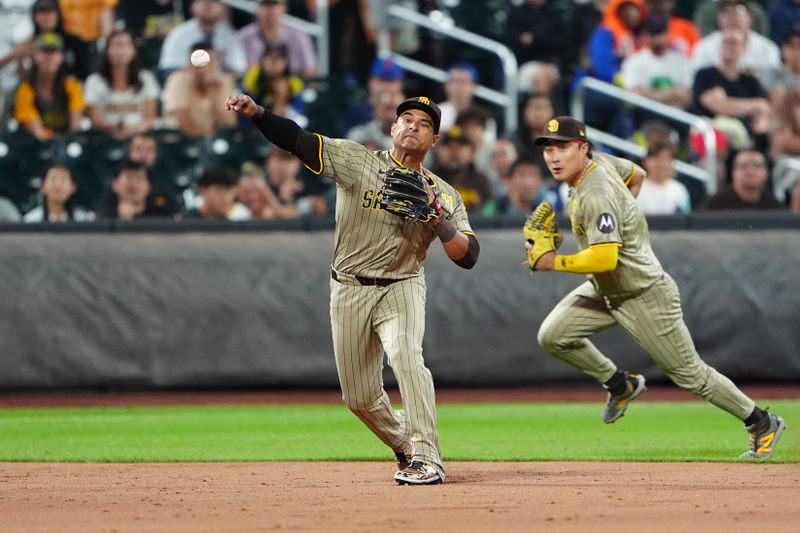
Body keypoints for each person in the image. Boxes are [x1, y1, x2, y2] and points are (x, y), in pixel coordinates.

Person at [225, 93, 480, 485]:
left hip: (403, 285)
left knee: (407, 356)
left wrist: (437, 219)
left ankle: (429, 458)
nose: (413, 125)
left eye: (425, 124)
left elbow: (468, 256)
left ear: (435, 141)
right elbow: (298, 140)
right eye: (406, 118)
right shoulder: (357, 161)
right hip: (348, 288)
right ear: (393, 128)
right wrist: (258, 113)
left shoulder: (443, 194)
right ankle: (406, 447)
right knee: (359, 399)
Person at [527, 115, 786, 460]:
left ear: (582, 148)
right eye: (548, 149)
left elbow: (604, 258)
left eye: (563, 148)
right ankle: (620, 383)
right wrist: (629, 214)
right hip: (606, 289)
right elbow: (638, 175)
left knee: (692, 375)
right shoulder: (600, 162)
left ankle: (761, 421)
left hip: (643, 294)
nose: (554, 157)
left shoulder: (597, 192)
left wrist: (552, 262)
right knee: (553, 335)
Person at [84, 29, 159, 139]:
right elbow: (96, 121)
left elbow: (150, 118)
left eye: (125, 45)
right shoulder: (94, 81)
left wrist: (134, 130)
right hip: (106, 139)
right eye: (115, 46)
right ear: (107, 51)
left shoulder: (146, 79)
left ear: (134, 51)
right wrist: (115, 129)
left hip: (140, 138)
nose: (120, 51)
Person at [14, 32, 84, 141]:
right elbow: (36, 131)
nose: (49, 57)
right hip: (36, 147)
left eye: (54, 51)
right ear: (35, 56)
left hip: (67, 145)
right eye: (45, 51)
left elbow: (76, 127)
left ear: (61, 57)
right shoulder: (25, 90)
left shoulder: (72, 86)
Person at [161, 43, 237, 137]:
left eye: (210, 62)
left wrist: (214, 92)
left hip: (213, 141)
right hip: (179, 140)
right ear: (189, 64)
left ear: (217, 63)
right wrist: (207, 140)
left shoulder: (224, 82)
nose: (204, 68)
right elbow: (184, 122)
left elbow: (228, 124)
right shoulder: (178, 80)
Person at [158, 0, 247, 77]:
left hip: (218, 87)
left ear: (222, 8)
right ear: (193, 6)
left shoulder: (229, 35)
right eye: (202, 1)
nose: (208, 5)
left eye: (213, 1)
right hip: (186, 87)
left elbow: (238, 69)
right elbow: (169, 69)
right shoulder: (178, 34)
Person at [236, 0, 317, 78]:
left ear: (283, 8)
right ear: (257, 8)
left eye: (274, 4)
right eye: (265, 4)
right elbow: (235, 73)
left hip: (292, 89)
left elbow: (310, 72)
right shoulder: (243, 37)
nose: (270, 9)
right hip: (253, 89)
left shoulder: (299, 36)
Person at [700, 148, 784, 209]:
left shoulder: (774, 206)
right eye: (743, 166)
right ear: (733, 172)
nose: (750, 171)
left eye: (757, 166)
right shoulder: (715, 204)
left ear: (766, 173)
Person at [23, 163, 94, 222]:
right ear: (42, 187)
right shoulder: (31, 220)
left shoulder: (83, 219)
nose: (58, 185)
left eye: (63, 179)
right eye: (53, 179)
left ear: (73, 188)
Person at [637, 141, 692, 214]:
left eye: (668, 158)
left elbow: (686, 219)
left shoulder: (680, 190)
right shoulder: (636, 189)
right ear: (646, 161)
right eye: (657, 157)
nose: (662, 163)